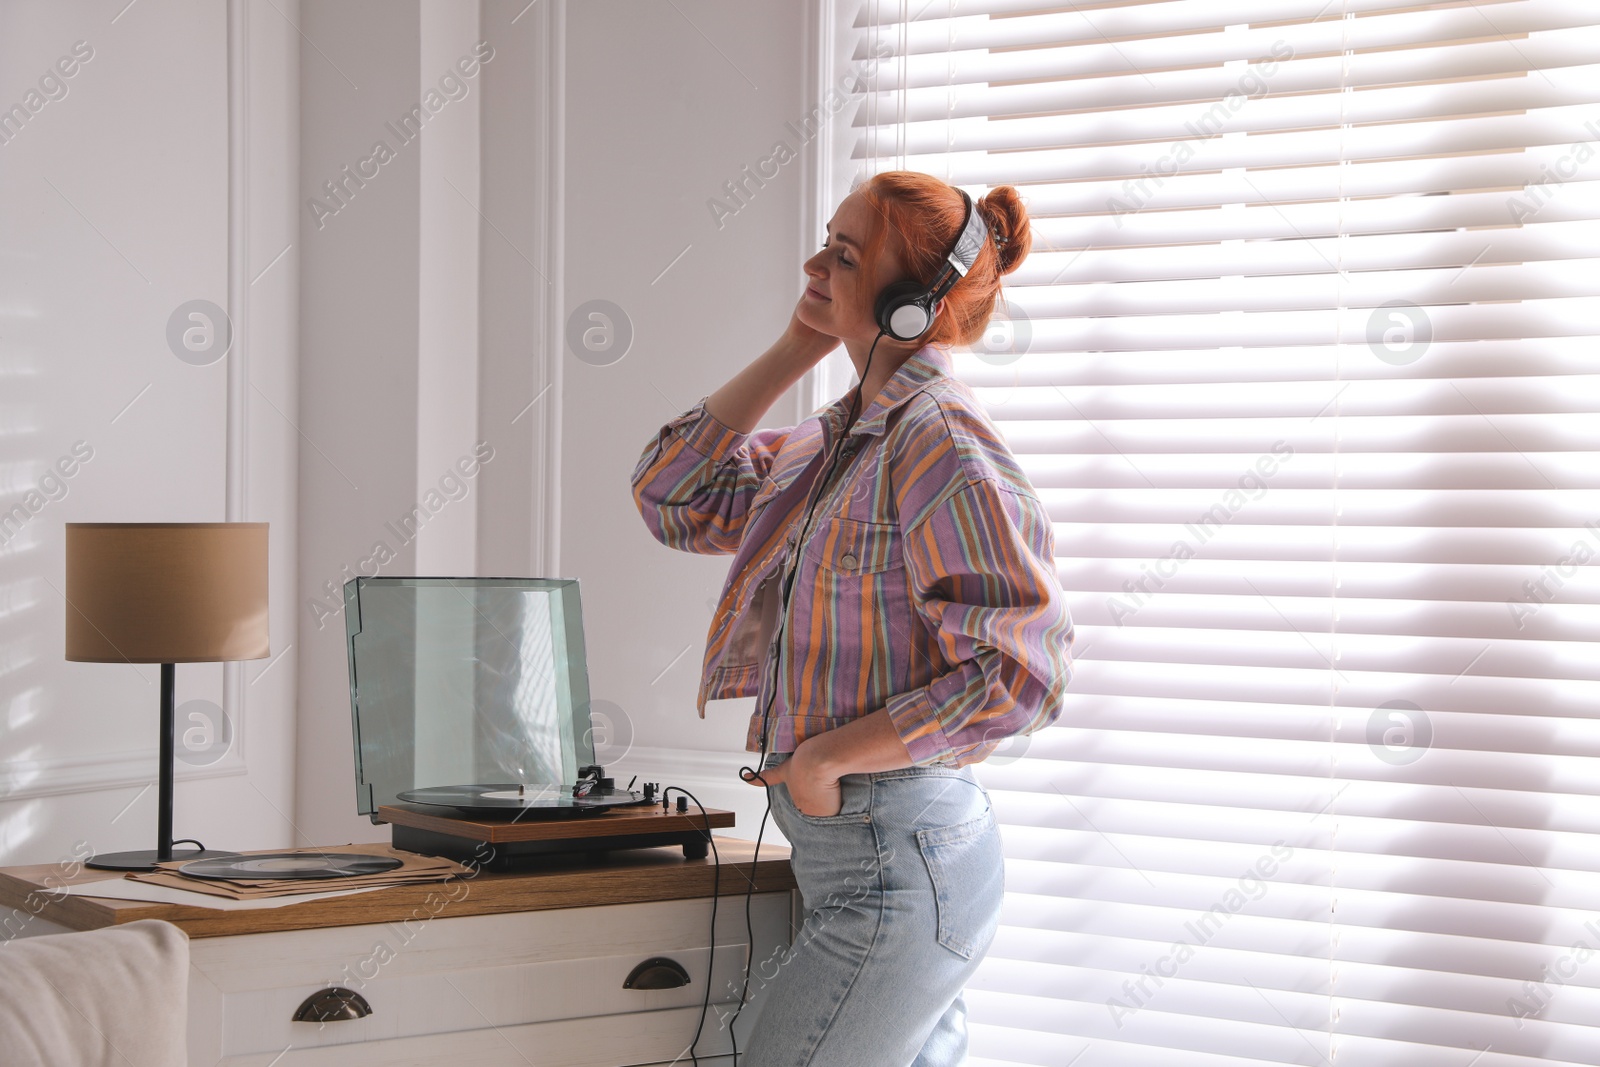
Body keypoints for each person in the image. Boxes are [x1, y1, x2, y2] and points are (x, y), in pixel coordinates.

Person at [630, 171, 1073, 1066]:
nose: (812, 265)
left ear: (912, 302)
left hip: (898, 859)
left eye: (841, 253)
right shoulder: (833, 442)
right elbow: (671, 494)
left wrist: (828, 756)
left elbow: (1022, 668)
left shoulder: (939, 441)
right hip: (861, 856)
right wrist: (801, 340)